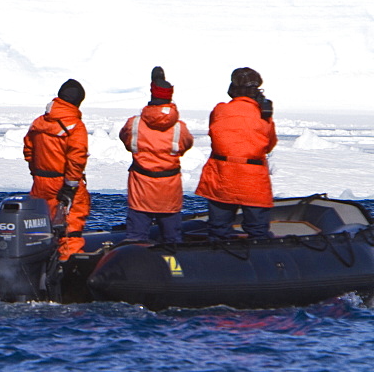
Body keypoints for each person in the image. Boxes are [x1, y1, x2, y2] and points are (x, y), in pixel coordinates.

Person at [195, 67, 278, 240]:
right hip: (253, 178)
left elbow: (214, 134)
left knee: (218, 228)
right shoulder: (264, 114)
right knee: (258, 231)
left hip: (221, 175)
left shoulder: (219, 110)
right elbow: (269, 144)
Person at [118, 66, 194, 242]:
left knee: (136, 238)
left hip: (141, 191)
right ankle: (173, 268)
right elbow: (186, 144)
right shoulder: (179, 128)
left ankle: (135, 266)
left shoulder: (134, 124)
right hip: (169, 191)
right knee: (172, 238)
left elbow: (126, 140)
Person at [23, 78, 90, 260]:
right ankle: (67, 274)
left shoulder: (38, 123)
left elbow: (29, 150)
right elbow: (76, 159)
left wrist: (37, 173)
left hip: (40, 184)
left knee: (41, 230)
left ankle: (37, 271)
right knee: (70, 231)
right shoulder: (75, 127)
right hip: (63, 184)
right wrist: (70, 187)